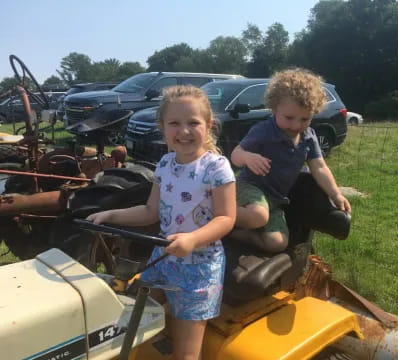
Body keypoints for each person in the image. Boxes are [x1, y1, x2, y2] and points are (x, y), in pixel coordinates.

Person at [87, 85, 236, 360]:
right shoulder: (166, 164)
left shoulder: (216, 167)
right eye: (175, 123)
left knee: (186, 353)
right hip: (163, 259)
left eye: (193, 122)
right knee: (133, 324)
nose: (184, 130)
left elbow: (226, 218)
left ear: (208, 124)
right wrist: (111, 215)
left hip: (199, 269)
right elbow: (149, 211)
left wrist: (192, 239)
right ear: (163, 127)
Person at [230, 68, 350, 253]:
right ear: (274, 107)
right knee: (258, 215)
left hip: (275, 200)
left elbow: (319, 168)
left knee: (277, 243)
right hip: (249, 187)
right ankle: (218, 212)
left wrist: (336, 195)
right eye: (289, 117)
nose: (296, 125)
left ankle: (234, 233)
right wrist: (248, 157)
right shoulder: (264, 130)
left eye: (305, 119)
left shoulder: (308, 137)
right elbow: (236, 155)